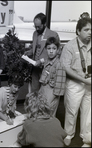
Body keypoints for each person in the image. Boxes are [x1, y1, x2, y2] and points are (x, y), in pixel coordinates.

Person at [60, 13, 91, 146]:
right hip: (75, 84)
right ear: (78, 31)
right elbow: (66, 68)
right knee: (72, 111)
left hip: (89, 84)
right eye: (86, 30)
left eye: (91, 30)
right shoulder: (70, 46)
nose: (90, 32)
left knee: (88, 112)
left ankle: (86, 137)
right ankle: (69, 134)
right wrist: (84, 80)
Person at [24, 12, 60, 92]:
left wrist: (41, 61)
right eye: (35, 26)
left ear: (44, 24)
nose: (36, 29)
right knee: (34, 93)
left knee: (45, 93)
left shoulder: (53, 35)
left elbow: (57, 53)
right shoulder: (35, 34)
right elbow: (35, 48)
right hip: (35, 70)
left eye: (39, 27)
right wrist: (28, 53)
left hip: (47, 69)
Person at [38, 37, 66, 116]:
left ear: (58, 50)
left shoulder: (59, 65)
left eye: (54, 49)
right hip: (43, 90)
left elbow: (59, 86)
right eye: (48, 48)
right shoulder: (46, 61)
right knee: (41, 111)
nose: (51, 51)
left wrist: (52, 99)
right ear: (46, 49)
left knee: (49, 113)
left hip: (52, 93)